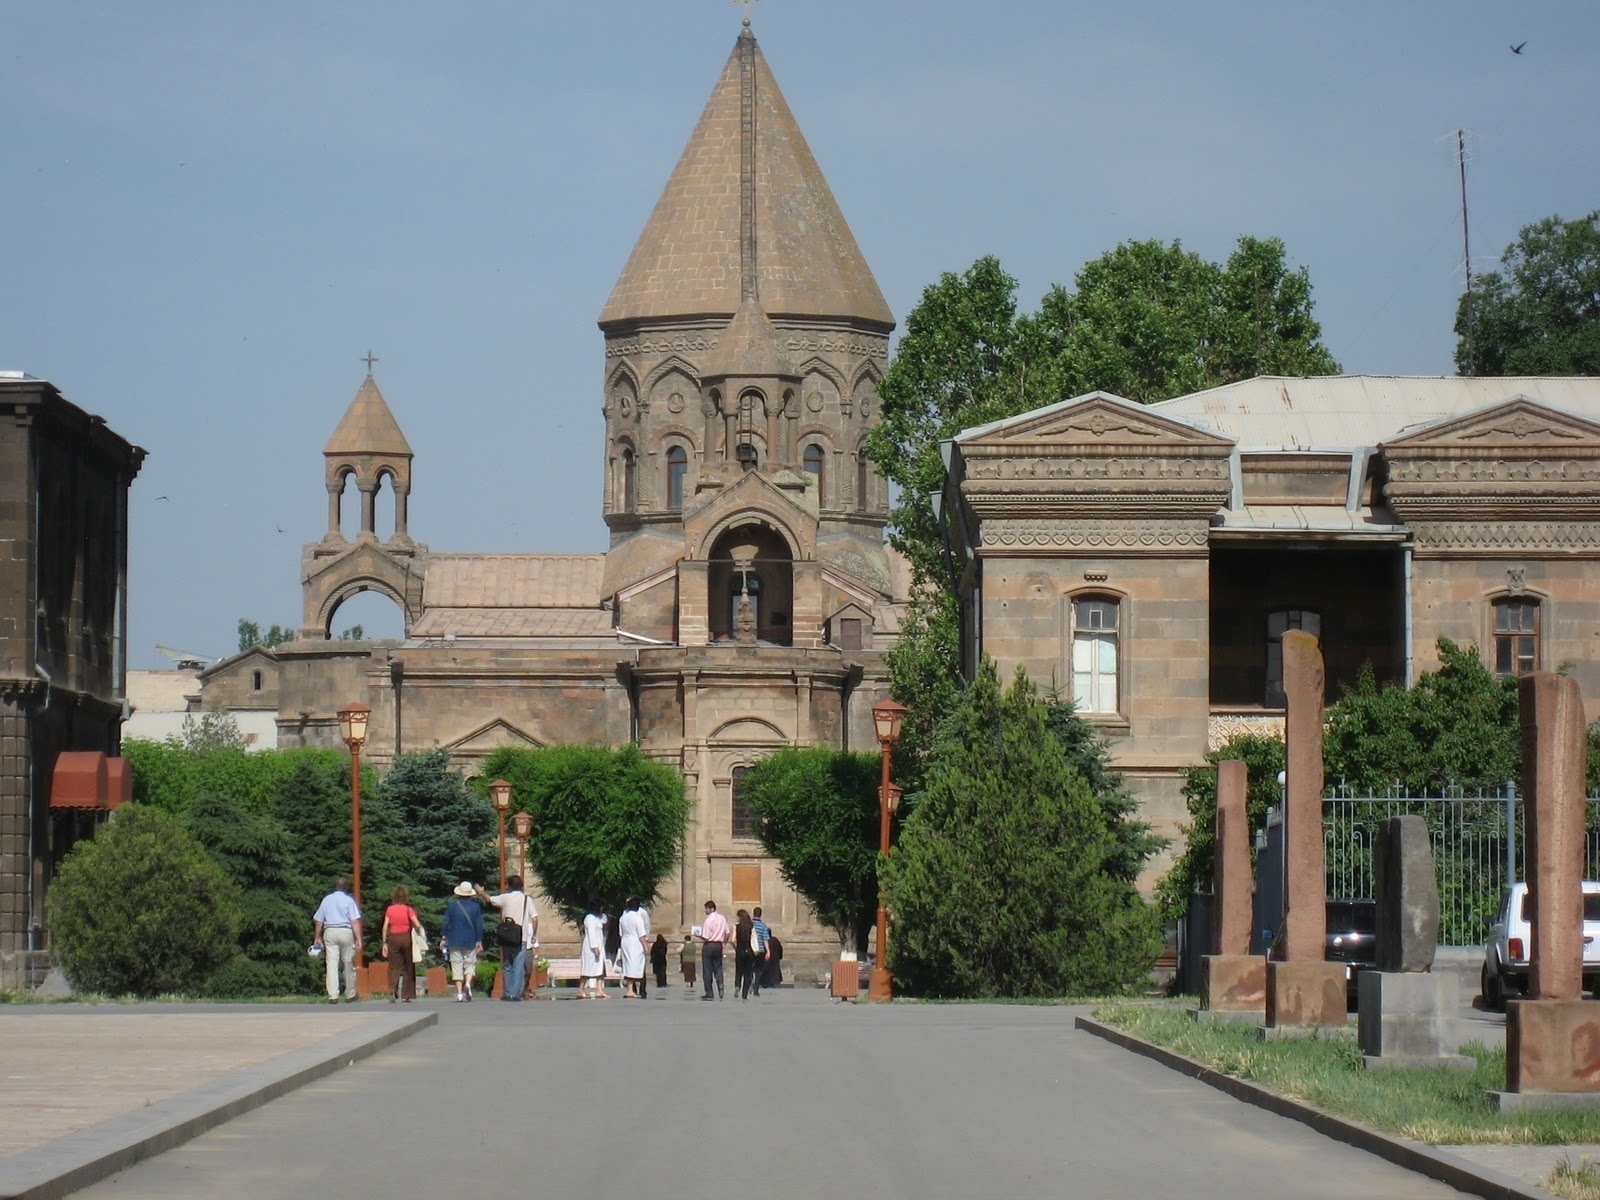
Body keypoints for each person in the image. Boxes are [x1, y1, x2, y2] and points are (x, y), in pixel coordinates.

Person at [478, 877, 537, 1002]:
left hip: (507, 936)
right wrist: (534, 934)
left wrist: (481, 892)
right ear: (521, 886)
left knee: (508, 965)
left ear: (509, 886)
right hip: (522, 937)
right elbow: (535, 918)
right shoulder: (527, 899)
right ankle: (515, 994)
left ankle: (508, 992)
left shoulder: (505, 897)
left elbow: (490, 900)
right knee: (518, 966)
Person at [311, 876, 362, 1004]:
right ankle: (350, 993)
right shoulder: (348, 900)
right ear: (346, 887)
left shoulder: (326, 900)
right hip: (345, 931)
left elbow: (319, 921)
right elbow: (354, 921)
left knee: (332, 963)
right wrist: (358, 938)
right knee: (348, 962)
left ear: (334, 887)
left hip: (330, 931)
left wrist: (317, 937)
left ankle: (333, 995)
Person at [440, 881, 484, 1002]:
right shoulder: (475, 907)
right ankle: (468, 983)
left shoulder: (452, 906)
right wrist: (479, 940)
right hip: (470, 939)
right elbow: (479, 924)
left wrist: (444, 937)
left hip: (454, 939)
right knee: (470, 963)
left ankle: (459, 993)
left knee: (456, 964)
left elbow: (446, 922)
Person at [380, 884, 426, 1002]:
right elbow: (417, 924)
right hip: (406, 938)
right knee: (408, 966)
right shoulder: (408, 909)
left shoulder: (390, 909)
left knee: (394, 966)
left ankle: (392, 990)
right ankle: (406, 995)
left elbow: (385, 927)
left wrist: (384, 942)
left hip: (393, 938)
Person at [618, 896, 649, 999]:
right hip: (635, 942)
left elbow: (621, 933)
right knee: (633, 965)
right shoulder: (637, 917)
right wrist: (645, 946)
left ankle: (630, 989)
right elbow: (641, 934)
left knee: (627, 965)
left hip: (625, 941)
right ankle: (630, 990)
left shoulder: (623, 917)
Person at [698, 900, 729, 1000]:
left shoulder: (708, 921)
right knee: (718, 967)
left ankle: (709, 993)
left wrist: (698, 935)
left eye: (706, 909)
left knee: (707, 969)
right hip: (718, 945)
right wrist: (724, 943)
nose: (705, 911)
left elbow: (706, 937)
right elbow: (727, 933)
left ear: (711, 909)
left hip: (709, 945)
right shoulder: (722, 918)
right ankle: (720, 984)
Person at [579, 898, 609, 999]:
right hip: (591, 947)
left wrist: (601, 913)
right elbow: (591, 933)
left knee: (600, 968)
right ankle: (581, 989)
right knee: (587, 969)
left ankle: (599, 990)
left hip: (600, 944)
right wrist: (594, 947)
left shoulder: (597, 918)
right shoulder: (589, 918)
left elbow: (605, 919)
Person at [746, 906, 771, 999]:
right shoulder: (763, 926)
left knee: (749, 969)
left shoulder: (749, 925)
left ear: (753, 913)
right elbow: (765, 939)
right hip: (760, 950)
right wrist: (768, 951)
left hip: (750, 950)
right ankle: (756, 989)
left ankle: (748, 985)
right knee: (758, 971)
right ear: (761, 914)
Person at [733, 909, 754, 1000]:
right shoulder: (751, 927)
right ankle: (744, 994)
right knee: (748, 973)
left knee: (739, 971)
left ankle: (737, 986)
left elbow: (733, 940)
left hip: (740, 951)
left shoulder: (736, 927)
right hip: (749, 952)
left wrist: (736, 948)